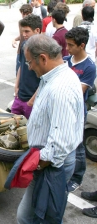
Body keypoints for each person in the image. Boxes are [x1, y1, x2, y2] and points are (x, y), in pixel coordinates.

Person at [17, 34, 84, 224]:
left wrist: (36, 164)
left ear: (43, 58)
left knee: (33, 217)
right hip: (49, 159)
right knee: (44, 214)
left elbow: (58, 146)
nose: (29, 67)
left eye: (30, 62)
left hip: (52, 164)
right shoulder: (55, 76)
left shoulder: (60, 89)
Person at [64, 27, 96, 193]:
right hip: (62, 110)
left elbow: (77, 92)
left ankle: (77, 178)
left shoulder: (89, 67)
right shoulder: (65, 60)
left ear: (82, 45)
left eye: (70, 45)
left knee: (77, 146)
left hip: (76, 112)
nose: (67, 48)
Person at [12, 14, 41, 119]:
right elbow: (21, 66)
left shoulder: (43, 51)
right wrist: (16, 86)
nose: (23, 35)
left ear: (37, 30)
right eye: (22, 31)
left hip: (33, 100)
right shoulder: (24, 45)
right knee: (13, 126)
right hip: (20, 96)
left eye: (27, 31)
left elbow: (45, 80)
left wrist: (32, 101)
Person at [12, 4, 33, 74]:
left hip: (29, 51)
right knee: (18, 72)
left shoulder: (33, 23)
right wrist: (14, 39)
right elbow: (21, 36)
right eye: (23, 14)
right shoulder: (20, 23)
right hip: (20, 51)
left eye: (27, 14)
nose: (25, 16)